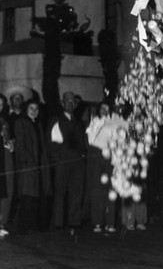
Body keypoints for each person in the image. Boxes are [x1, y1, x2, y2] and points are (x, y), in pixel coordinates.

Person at [50, 91, 86, 233]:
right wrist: (57, 160)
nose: (70, 104)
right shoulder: (56, 120)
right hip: (63, 162)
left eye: (73, 102)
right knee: (60, 193)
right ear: (62, 103)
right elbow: (52, 143)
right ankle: (58, 223)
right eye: (68, 102)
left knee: (76, 192)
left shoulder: (79, 123)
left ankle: (74, 223)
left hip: (78, 163)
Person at [14, 100, 52, 233]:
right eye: (31, 108)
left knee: (40, 194)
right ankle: (24, 227)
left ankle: (38, 226)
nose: (34, 111)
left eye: (36, 108)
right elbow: (20, 145)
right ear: (26, 109)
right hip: (29, 165)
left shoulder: (39, 124)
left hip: (41, 164)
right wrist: (28, 161)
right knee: (28, 195)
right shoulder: (21, 123)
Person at [86, 101, 116, 233]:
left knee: (111, 191)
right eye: (102, 108)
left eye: (107, 109)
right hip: (95, 158)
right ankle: (97, 222)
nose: (104, 110)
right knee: (96, 191)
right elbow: (89, 141)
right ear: (98, 110)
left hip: (110, 158)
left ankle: (110, 223)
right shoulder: (93, 123)